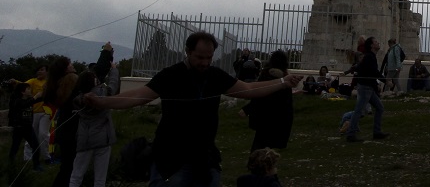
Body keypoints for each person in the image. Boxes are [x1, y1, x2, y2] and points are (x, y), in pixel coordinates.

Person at [85, 31, 301, 186]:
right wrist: (103, 102)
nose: (205, 62)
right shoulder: (171, 75)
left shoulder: (215, 75)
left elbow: (248, 89)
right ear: (187, 52)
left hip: (205, 160)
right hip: (171, 161)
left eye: (209, 57)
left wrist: (282, 83)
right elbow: (138, 96)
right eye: (200, 57)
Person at [69, 69, 118, 187]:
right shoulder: (104, 93)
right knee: (100, 179)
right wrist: (114, 70)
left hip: (85, 139)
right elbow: (113, 85)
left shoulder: (78, 98)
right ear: (95, 80)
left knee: (76, 175)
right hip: (103, 139)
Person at [240, 51, 294, 153]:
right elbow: (287, 102)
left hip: (264, 117)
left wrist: (247, 109)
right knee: (269, 148)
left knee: (259, 145)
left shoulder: (266, 74)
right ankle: (265, 166)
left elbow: (259, 96)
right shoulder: (286, 78)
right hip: (278, 118)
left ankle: (255, 165)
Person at [44, 56, 79, 187]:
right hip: (72, 132)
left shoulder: (55, 86)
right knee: (69, 168)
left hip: (64, 130)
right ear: (65, 69)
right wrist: (106, 53)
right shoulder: (71, 84)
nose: (72, 65)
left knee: (67, 166)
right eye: (70, 64)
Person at [346, 37, 389, 143]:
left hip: (368, 87)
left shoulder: (370, 57)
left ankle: (377, 132)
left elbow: (368, 72)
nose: (378, 43)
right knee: (359, 111)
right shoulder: (370, 57)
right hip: (365, 88)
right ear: (371, 45)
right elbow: (374, 72)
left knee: (379, 108)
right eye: (375, 42)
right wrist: (386, 81)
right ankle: (351, 134)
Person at [6, 82, 43, 172]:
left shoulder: (30, 99)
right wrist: (35, 97)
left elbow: (39, 99)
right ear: (23, 92)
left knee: (35, 146)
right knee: (15, 147)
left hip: (28, 128)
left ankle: (36, 165)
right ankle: (10, 165)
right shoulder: (17, 101)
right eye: (28, 89)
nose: (30, 90)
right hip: (19, 128)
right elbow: (24, 105)